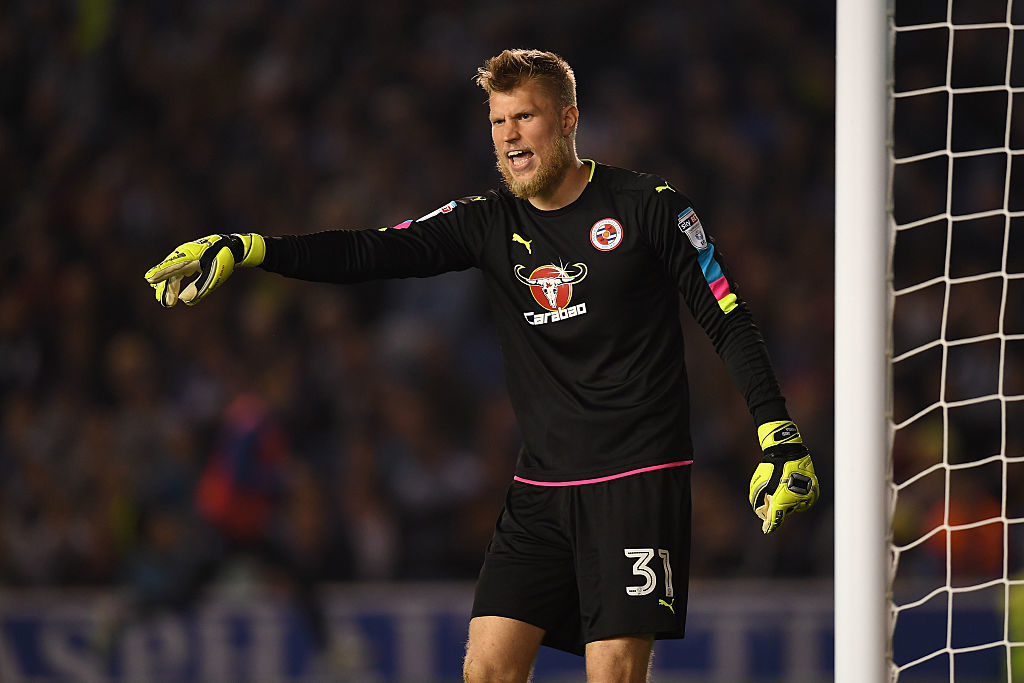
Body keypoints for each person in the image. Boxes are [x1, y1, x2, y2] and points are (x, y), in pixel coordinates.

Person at [144, 48, 820, 683]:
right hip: (542, 485)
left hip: (636, 476)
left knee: (612, 669)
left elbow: (728, 317)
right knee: (487, 668)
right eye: (498, 122)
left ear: (567, 119)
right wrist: (254, 246)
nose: (510, 136)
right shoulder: (487, 222)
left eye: (524, 115)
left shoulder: (650, 208)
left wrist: (776, 430)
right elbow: (371, 252)